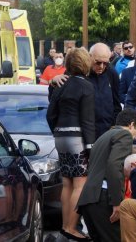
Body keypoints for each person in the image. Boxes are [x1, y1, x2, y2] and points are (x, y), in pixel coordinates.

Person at [46, 47, 95, 241]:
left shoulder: (61, 85)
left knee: (66, 183)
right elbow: (88, 120)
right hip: (78, 139)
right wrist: (90, 147)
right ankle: (72, 228)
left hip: (60, 137)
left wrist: (57, 131)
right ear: (85, 63)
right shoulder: (86, 86)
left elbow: (50, 114)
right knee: (80, 184)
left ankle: (65, 226)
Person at [77, 109, 136, 242]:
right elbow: (114, 166)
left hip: (88, 200)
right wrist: (117, 202)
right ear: (131, 124)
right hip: (103, 199)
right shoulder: (124, 135)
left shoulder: (104, 136)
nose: (135, 137)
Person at [50, 43, 122, 140]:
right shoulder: (75, 72)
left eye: (105, 63)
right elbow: (57, 101)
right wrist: (53, 83)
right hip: (82, 134)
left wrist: (115, 126)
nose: (101, 66)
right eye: (98, 62)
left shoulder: (111, 73)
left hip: (106, 132)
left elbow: (117, 104)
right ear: (89, 57)